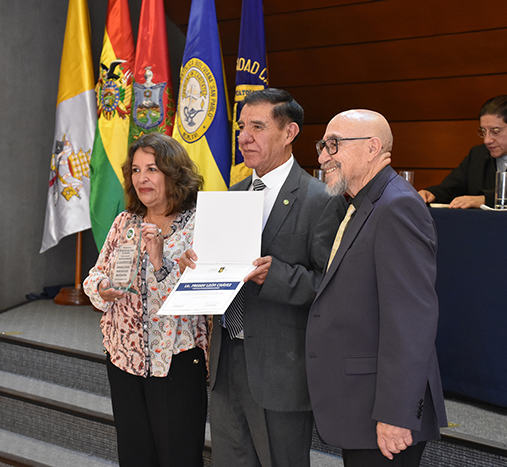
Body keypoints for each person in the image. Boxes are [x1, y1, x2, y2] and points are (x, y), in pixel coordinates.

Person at [180, 88, 346, 467]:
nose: (244, 137)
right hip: (226, 361)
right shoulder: (232, 195)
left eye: (257, 127)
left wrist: (276, 276)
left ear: (289, 132)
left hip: (280, 369)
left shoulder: (321, 199)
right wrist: (198, 267)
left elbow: (331, 286)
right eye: (241, 127)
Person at [307, 109, 448, 467]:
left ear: (372, 147)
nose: (322, 157)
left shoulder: (397, 206)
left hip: (384, 413)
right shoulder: (365, 202)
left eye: (334, 145)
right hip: (360, 404)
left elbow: (411, 322)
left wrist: (397, 414)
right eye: (323, 146)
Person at [83, 133, 208, 467]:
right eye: (136, 170)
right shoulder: (125, 222)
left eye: (152, 169)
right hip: (124, 358)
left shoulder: (197, 225)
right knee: (135, 455)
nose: (142, 179)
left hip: (176, 361)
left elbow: (197, 298)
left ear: (174, 173)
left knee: (179, 456)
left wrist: (159, 262)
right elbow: (94, 277)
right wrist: (102, 288)